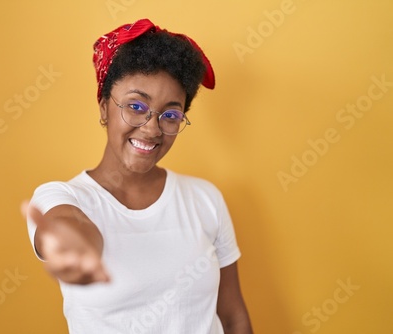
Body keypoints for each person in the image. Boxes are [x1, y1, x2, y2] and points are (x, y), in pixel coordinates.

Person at [23, 18, 253, 334]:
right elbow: (69, 225)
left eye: (170, 114)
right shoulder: (62, 196)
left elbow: (233, 318)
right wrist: (74, 247)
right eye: (135, 106)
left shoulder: (205, 199)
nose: (151, 128)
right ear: (104, 107)